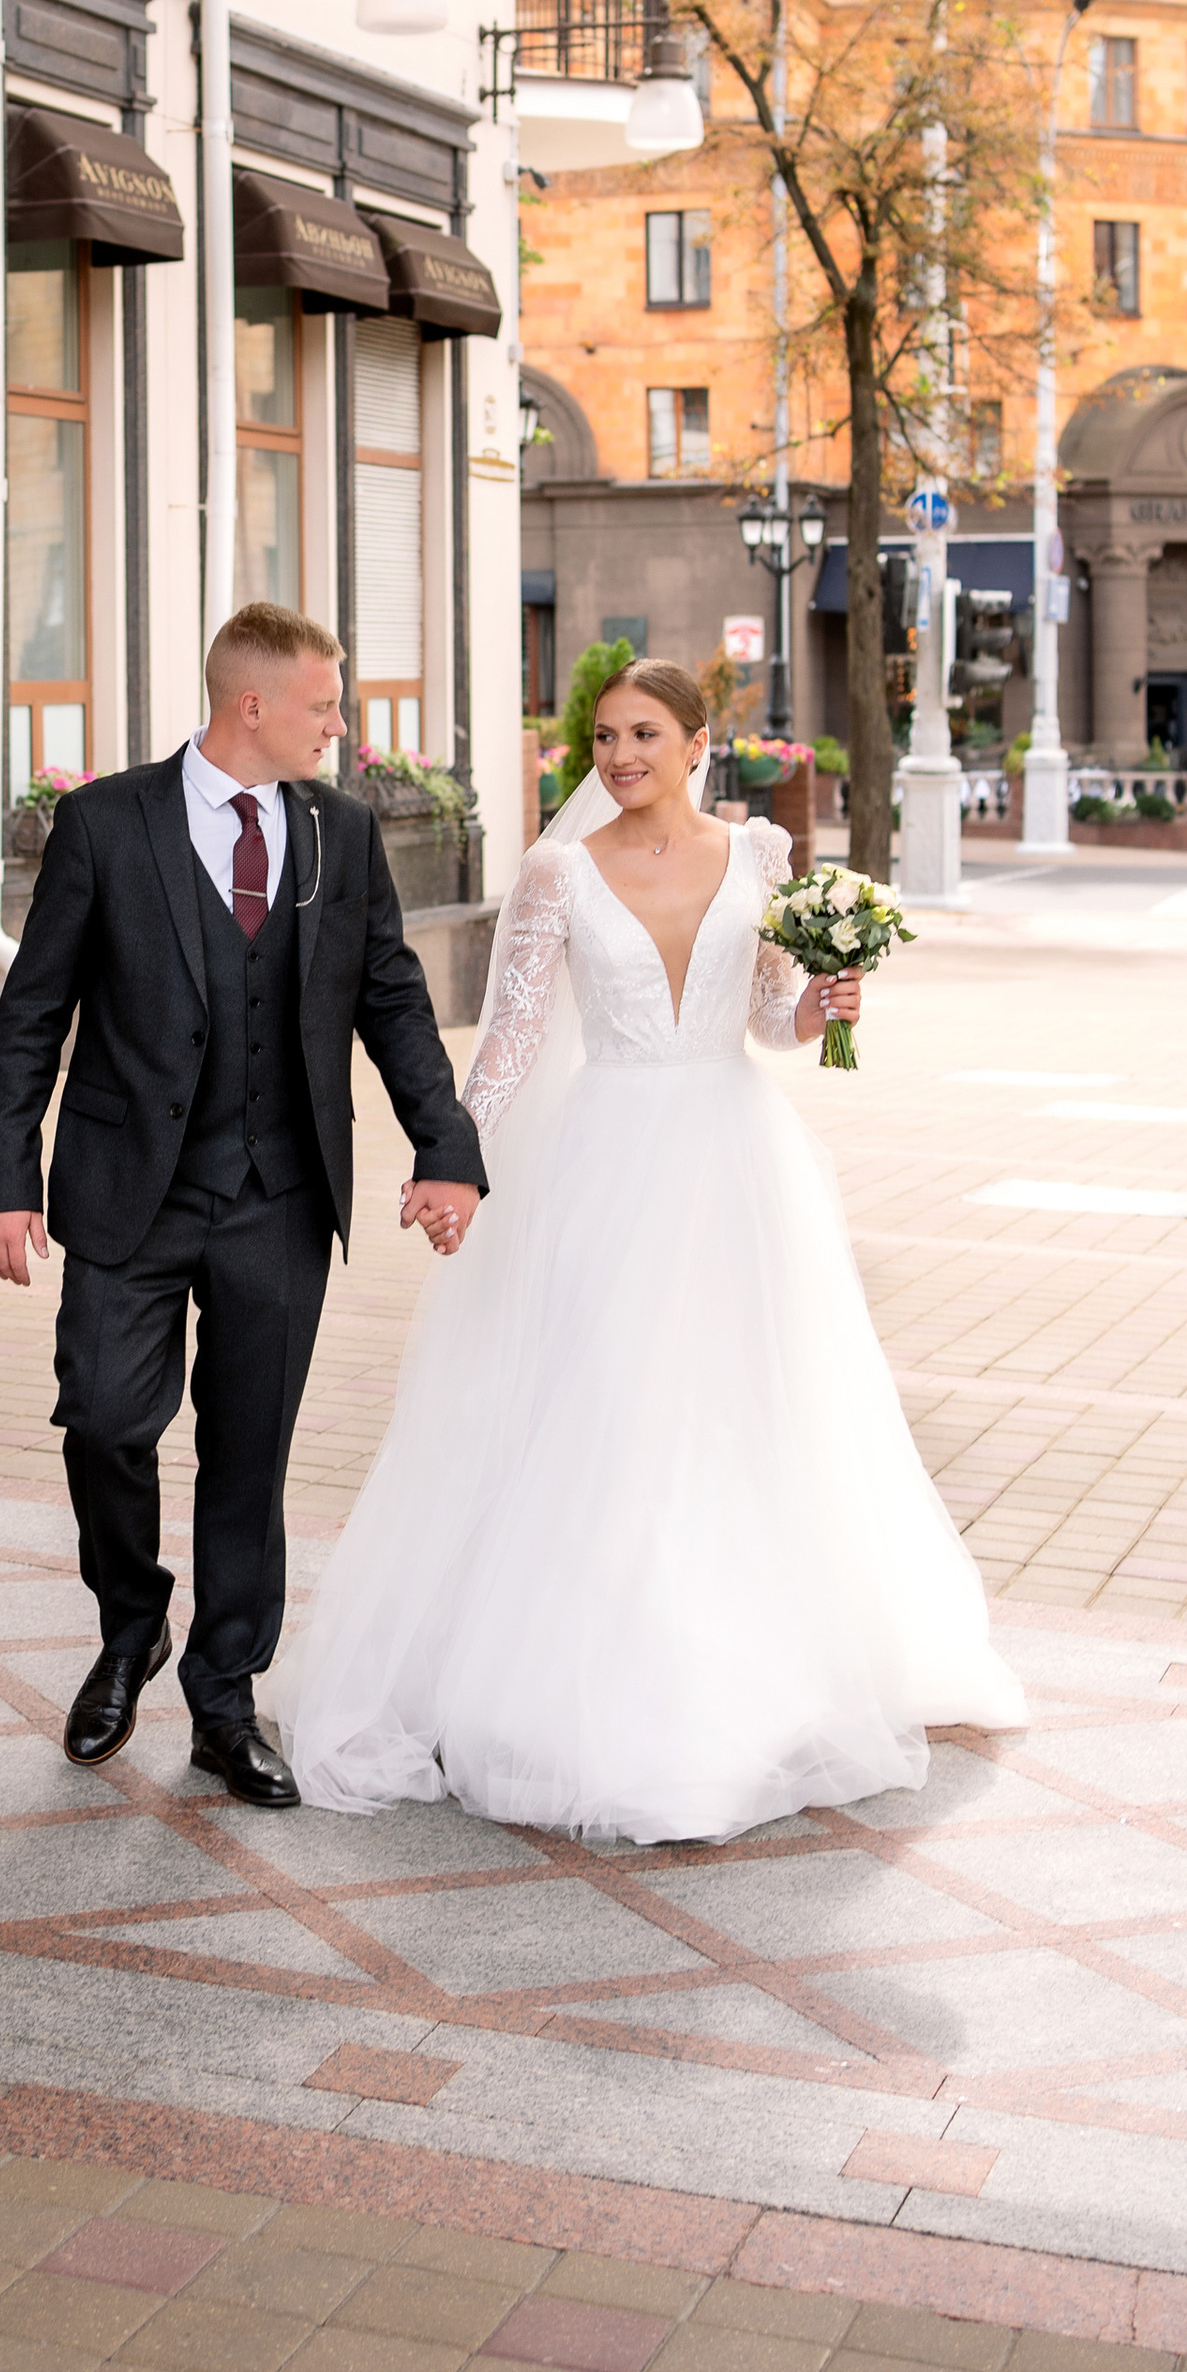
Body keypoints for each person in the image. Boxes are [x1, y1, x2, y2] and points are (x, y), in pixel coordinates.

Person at [280, 659, 1025, 1846]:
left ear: (695, 742)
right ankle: (601, 1676)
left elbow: (767, 1018)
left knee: (743, 1409)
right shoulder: (555, 873)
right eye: (604, 736)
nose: (620, 755)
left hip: (737, 1164)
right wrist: (451, 1161)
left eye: (643, 733)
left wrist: (827, 1009)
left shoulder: (762, 861)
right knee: (616, 1412)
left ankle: (752, 1663)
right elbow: (512, 1042)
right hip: (608, 1166)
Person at [0, 603, 486, 1811]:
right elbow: (31, 1013)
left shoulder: (342, 836)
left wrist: (445, 1148)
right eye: (325, 705)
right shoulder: (104, 823)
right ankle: (130, 1622)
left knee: (247, 1460)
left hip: (279, 1195)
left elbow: (394, 1004)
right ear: (251, 705)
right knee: (102, 1418)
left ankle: (222, 1701)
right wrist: (6, 1182)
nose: (341, 727)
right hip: (124, 1194)